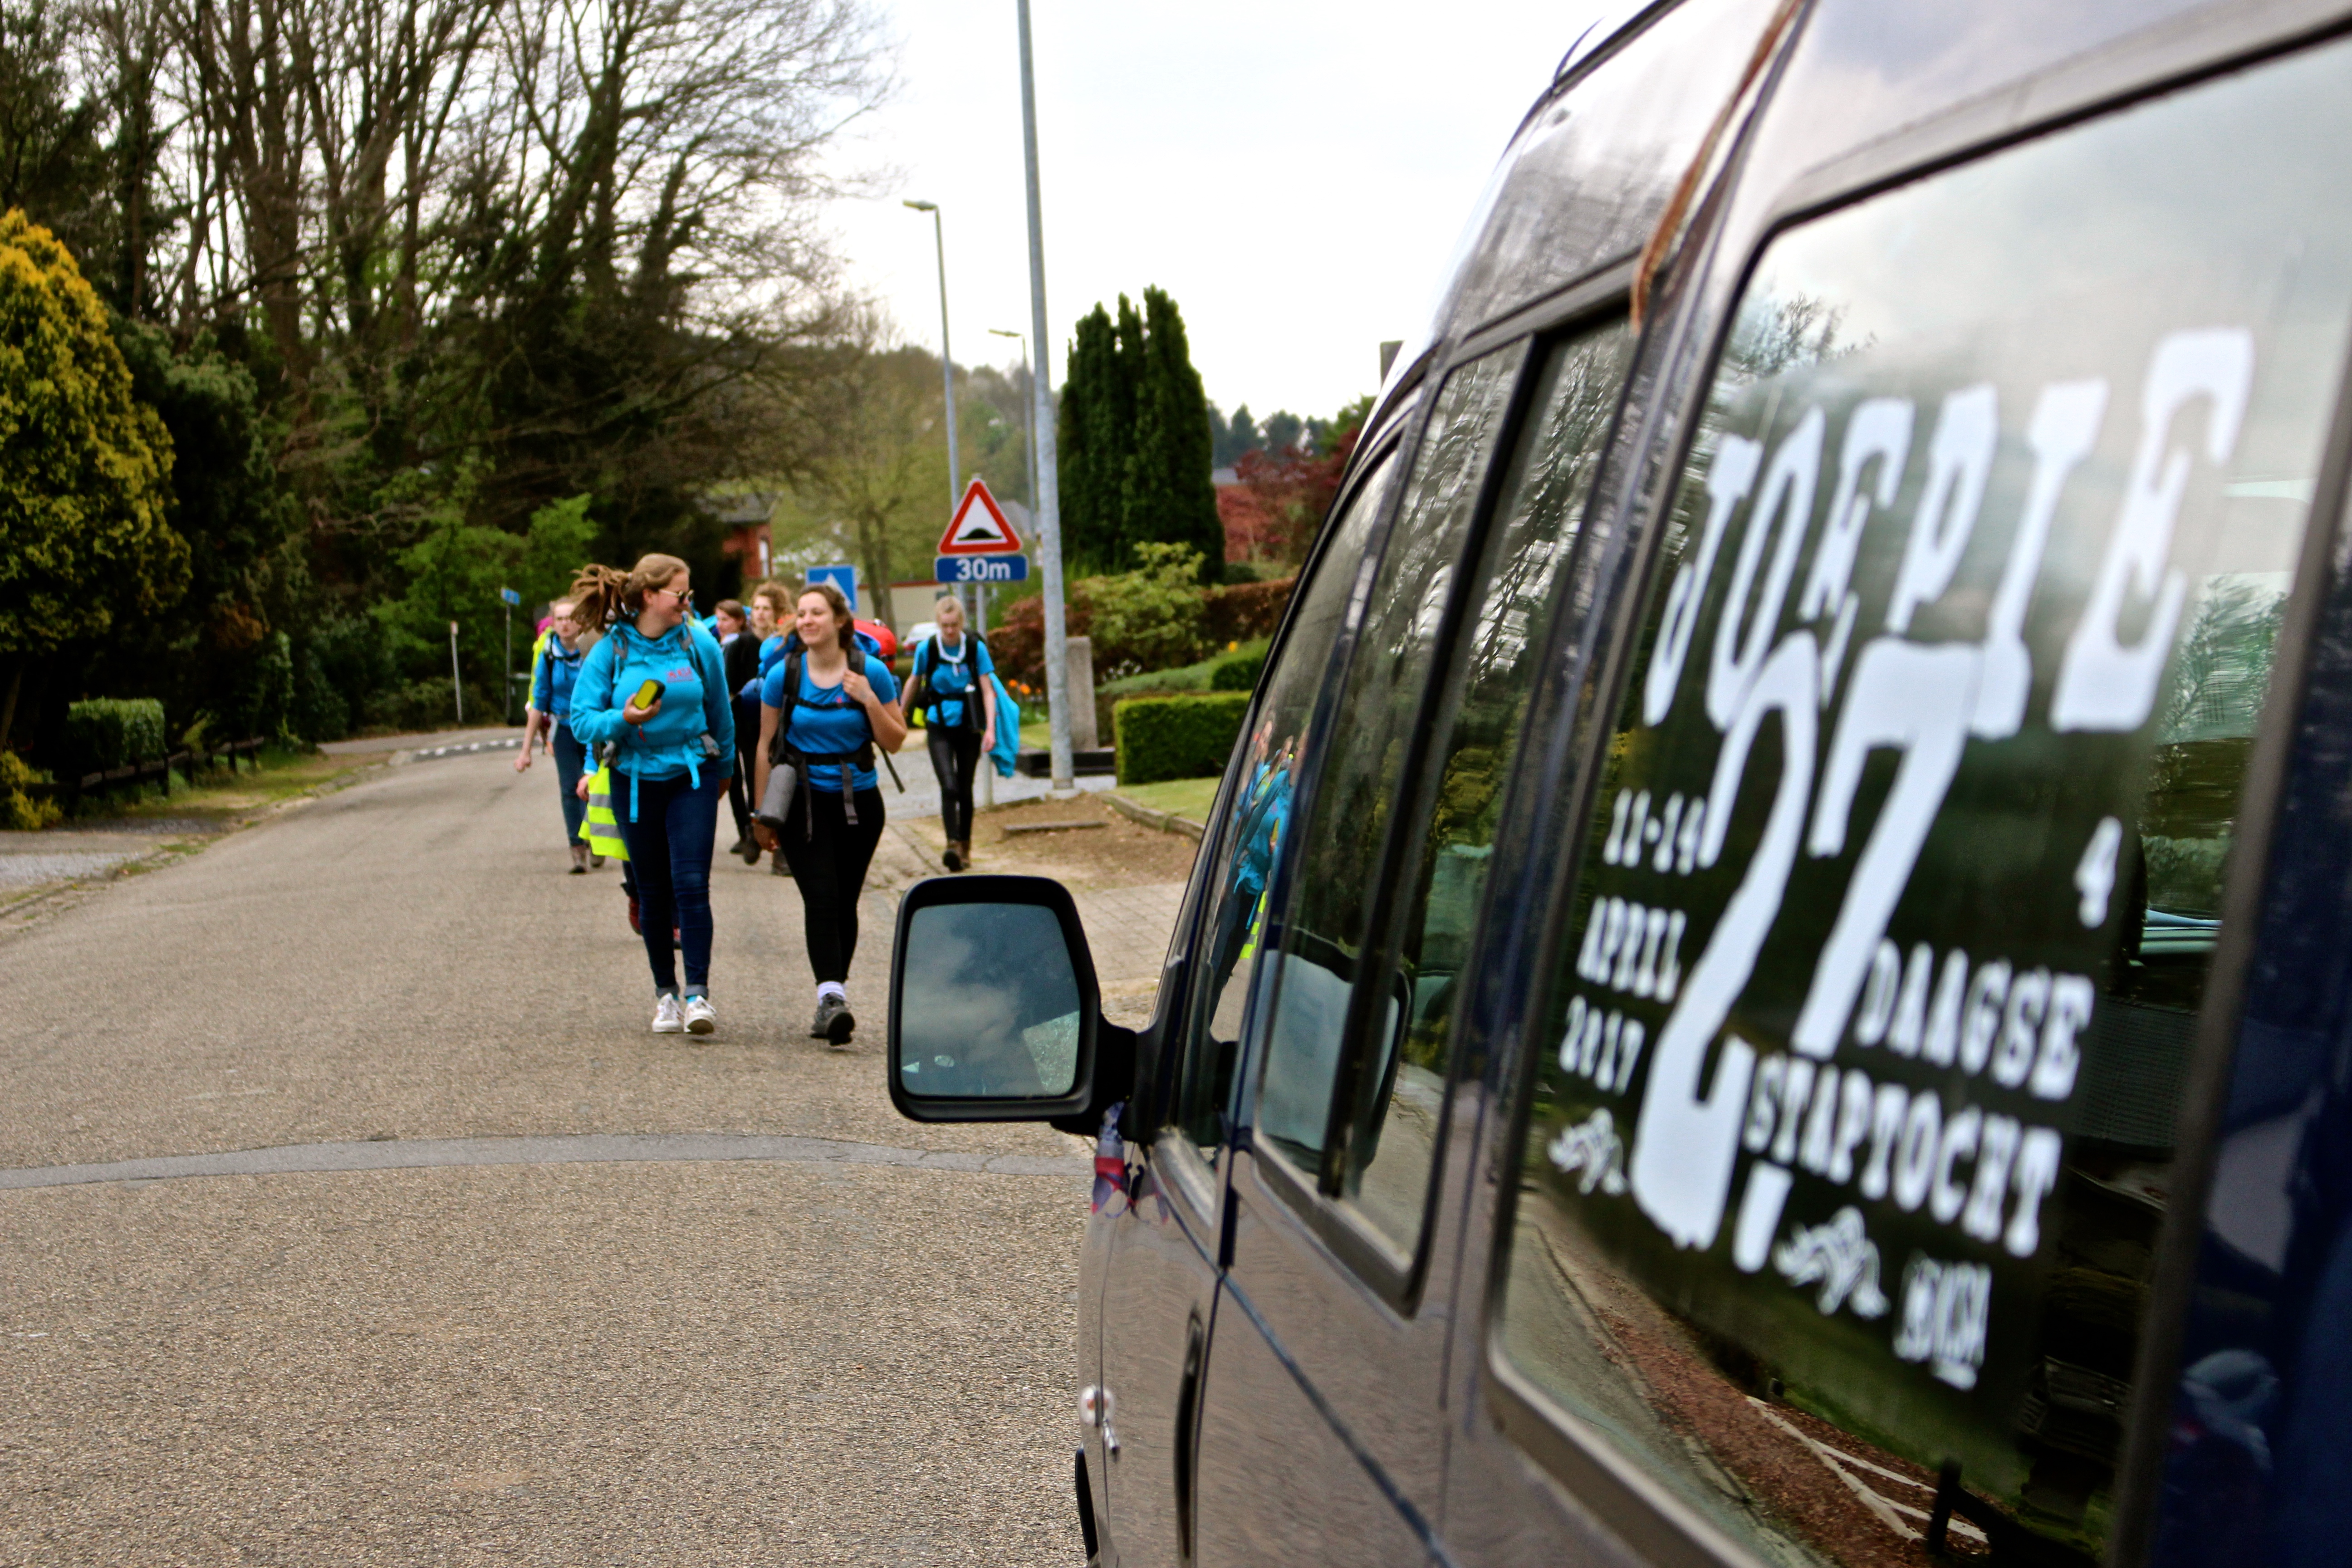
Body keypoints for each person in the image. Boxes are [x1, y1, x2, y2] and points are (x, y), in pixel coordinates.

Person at [568, 555, 735, 1037]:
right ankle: (666, 995)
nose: (688, 602)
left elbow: (721, 715)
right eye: (680, 595)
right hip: (633, 780)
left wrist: (723, 773)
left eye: (689, 595)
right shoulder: (611, 649)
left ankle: (698, 994)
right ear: (649, 597)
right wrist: (625, 720)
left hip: (691, 777)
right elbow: (582, 721)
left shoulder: (697, 641)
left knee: (691, 884)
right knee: (653, 892)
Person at [752, 582, 907, 1045]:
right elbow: (764, 746)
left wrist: (869, 700)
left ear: (840, 621)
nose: (806, 621)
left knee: (845, 900)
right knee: (821, 897)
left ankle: (832, 997)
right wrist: (761, 815)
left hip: (861, 803)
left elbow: (895, 739)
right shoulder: (785, 675)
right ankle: (832, 999)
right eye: (801, 614)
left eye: (816, 613)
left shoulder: (871, 672)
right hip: (802, 802)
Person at [906, 594, 998, 872]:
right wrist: (899, 714)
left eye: (954, 625)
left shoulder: (974, 647)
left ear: (961, 623)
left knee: (966, 788)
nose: (949, 630)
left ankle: (966, 846)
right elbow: (914, 680)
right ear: (938, 623)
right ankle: (952, 844)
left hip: (969, 725)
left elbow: (987, 689)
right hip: (939, 725)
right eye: (945, 625)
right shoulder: (928, 649)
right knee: (949, 786)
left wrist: (990, 729)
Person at [514, 600, 593, 870]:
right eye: (559, 618)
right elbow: (539, 700)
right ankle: (577, 847)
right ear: (553, 622)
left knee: (594, 786)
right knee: (570, 789)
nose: (565, 623)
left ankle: (595, 837)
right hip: (564, 729)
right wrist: (526, 750)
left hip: (593, 729)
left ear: (580, 622)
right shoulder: (548, 654)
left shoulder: (592, 652)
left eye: (571, 617)